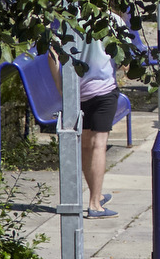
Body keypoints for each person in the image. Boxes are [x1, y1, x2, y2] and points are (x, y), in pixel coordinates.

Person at [50, 24, 125, 217]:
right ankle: (94, 204)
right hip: (103, 90)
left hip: (77, 92)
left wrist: (61, 87)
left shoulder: (64, 22)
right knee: (99, 145)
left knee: (84, 145)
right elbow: (124, 60)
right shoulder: (110, 20)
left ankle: (96, 195)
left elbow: (52, 53)